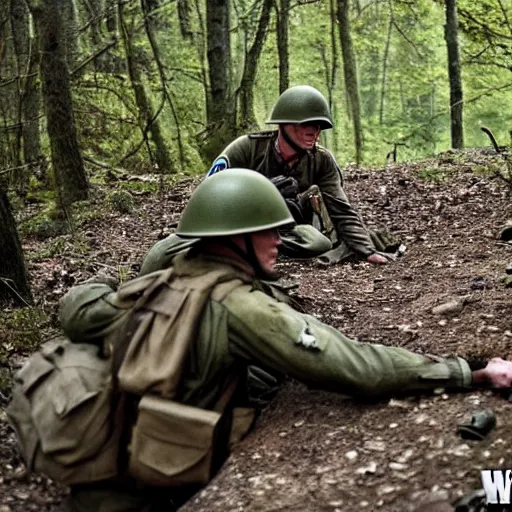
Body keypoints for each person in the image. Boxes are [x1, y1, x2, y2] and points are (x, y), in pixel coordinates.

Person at [57, 169, 512, 511]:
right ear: (235, 239)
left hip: (101, 471)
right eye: (269, 229)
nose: (280, 239)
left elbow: (77, 311)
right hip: (158, 489)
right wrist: (470, 370)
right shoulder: (239, 307)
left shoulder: (147, 287)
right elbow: (356, 368)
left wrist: (103, 280)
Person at [141, 85, 396, 276]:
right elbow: (210, 195)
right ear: (283, 125)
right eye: (306, 123)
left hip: (286, 231)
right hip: (238, 226)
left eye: (318, 125)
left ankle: (260, 250)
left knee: (319, 242)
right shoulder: (246, 149)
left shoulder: (322, 160)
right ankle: (241, 248)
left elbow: (341, 208)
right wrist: (257, 195)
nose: (313, 131)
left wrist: (366, 250)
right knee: (161, 256)